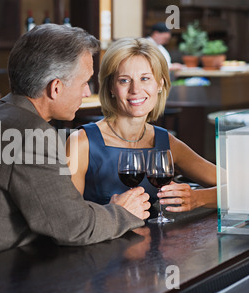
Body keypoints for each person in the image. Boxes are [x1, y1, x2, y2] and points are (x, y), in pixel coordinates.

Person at [0, 24, 151, 276]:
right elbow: (73, 227)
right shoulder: (29, 135)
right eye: (84, 82)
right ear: (55, 87)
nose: (87, 92)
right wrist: (122, 213)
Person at [66, 37, 216, 215]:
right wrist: (111, 213)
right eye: (124, 80)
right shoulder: (79, 143)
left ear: (160, 84)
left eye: (145, 78)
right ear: (111, 87)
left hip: (151, 241)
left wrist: (198, 198)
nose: (135, 89)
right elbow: (65, 218)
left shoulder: (165, 142)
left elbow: (239, 187)